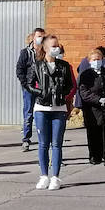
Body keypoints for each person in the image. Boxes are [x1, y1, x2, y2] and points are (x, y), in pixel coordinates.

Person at [25, 34, 76, 189]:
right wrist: (41, 93)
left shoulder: (64, 66)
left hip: (59, 108)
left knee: (57, 144)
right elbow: (27, 84)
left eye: (57, 45)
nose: (57, 48)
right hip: (42, 108)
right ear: (46, 48)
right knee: (43, 144)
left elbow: (71, 85)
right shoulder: (37, 65)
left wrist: (63, 95)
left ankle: (56, 177)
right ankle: (44, 176)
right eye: (53, 46)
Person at [77, 47, 105, 165]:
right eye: (94, 59)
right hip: (91, 109)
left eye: (99, 59)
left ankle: (102, 155)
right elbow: (84, 92)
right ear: (90, 61)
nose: (97, 61)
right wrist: (97, 99)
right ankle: (94, 156)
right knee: (93, 134)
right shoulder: (86, 74)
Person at [15, 26, 47, 152]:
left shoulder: (46, 52)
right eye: (39, 36)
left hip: (42, 88)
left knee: (42, 112)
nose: (40, 39)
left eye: (43, 37)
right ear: (33, 37)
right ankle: (26, 139)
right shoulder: (26, 52)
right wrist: (25, 84)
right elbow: (20, 69)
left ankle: (43, 138)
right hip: (29, 87)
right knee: (28, 112)